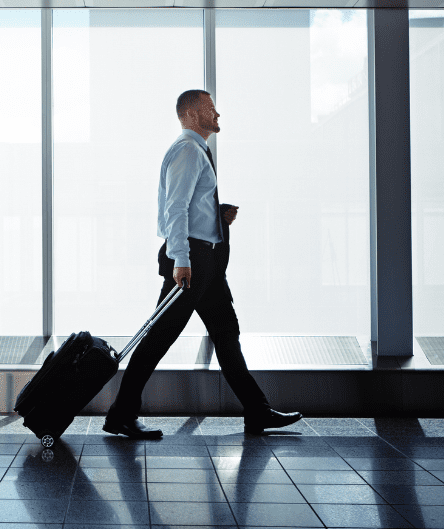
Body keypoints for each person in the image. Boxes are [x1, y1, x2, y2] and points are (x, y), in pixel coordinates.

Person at [102, 90, 302, 438]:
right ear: (193, 113)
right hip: (191, 262)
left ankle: (257, 412)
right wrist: (181, 260)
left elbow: (191, 206)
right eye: (211, 109)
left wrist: (217, 215)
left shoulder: (197, 152)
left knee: (227, 335)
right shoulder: (188, 151)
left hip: (205, 263)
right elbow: (175, 209)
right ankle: (120, 414)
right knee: (158, 339)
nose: (218, 114)